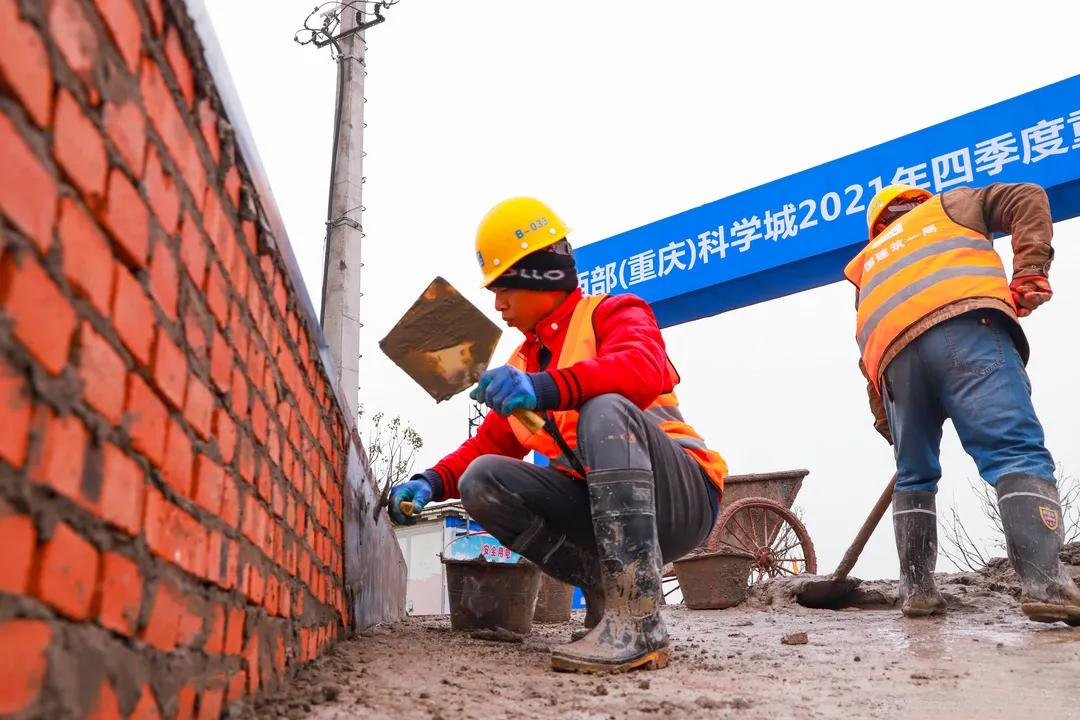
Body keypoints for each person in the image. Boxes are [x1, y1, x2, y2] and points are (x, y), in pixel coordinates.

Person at [389, 197, 727, 672]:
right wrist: (428, 482)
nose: (498, 303)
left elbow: (643, 367)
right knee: (483, 479)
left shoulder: (612, 313)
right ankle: (606, 595)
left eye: (504, 286)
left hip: (680, 499)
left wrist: (545, 389)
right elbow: (486, 447)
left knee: (604, 406)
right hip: (601, 509)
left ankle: (637, 619)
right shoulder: (522, 364)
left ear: (539, 275)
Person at [845, 182, 1079, 624]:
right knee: (1014, 450)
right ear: (917, 201)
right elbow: (1026, 195)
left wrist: (890, 423)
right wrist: (1030, 268)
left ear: (876, 224)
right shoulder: (952, 204)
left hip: (895, 367)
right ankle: (1046, 586)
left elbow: (865, 353)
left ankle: (916, 591)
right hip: (968, 330)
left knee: (913, 475)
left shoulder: (867, 265)